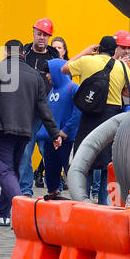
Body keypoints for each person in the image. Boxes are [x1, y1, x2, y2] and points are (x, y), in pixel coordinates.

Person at [0, 40, 64, 226]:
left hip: (0, 129)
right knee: (12, 171)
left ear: (6, 53)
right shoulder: (35, 76)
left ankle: (25, 209)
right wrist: (54, 133)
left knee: (5, 171)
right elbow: (44, 108)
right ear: (22, 53)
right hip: (25, 131)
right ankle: (4, 214)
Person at [64, 36, 130, 205]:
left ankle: (82, 204)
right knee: (107, 168)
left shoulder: (87, 61)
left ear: (99, 48)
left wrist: (85, 52)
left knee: (84, 163)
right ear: (115, 51)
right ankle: (105, 208)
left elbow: (64, 69)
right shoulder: (122, 67)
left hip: (89, 117)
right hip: (111, 119)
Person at [18, 18, 57, 197]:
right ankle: (25, 190)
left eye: (45, 35)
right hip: (27, 111)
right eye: (39, 33)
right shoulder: (24, 54)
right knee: (25, 152)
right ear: (33, 33)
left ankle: (54, 189)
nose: (42, 38)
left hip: (48, 110)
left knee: (48, 151)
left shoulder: (54, 56)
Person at [37, 56, 81, 198]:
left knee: (71, 172)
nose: (48, 76)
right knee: (50, 171)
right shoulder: (52, 91)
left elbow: (78, 112)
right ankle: (53, 195)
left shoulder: (72, 88)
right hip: (52, 140)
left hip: (67, 141)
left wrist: (65, 131)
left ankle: (79, 199)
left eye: (49, 72)